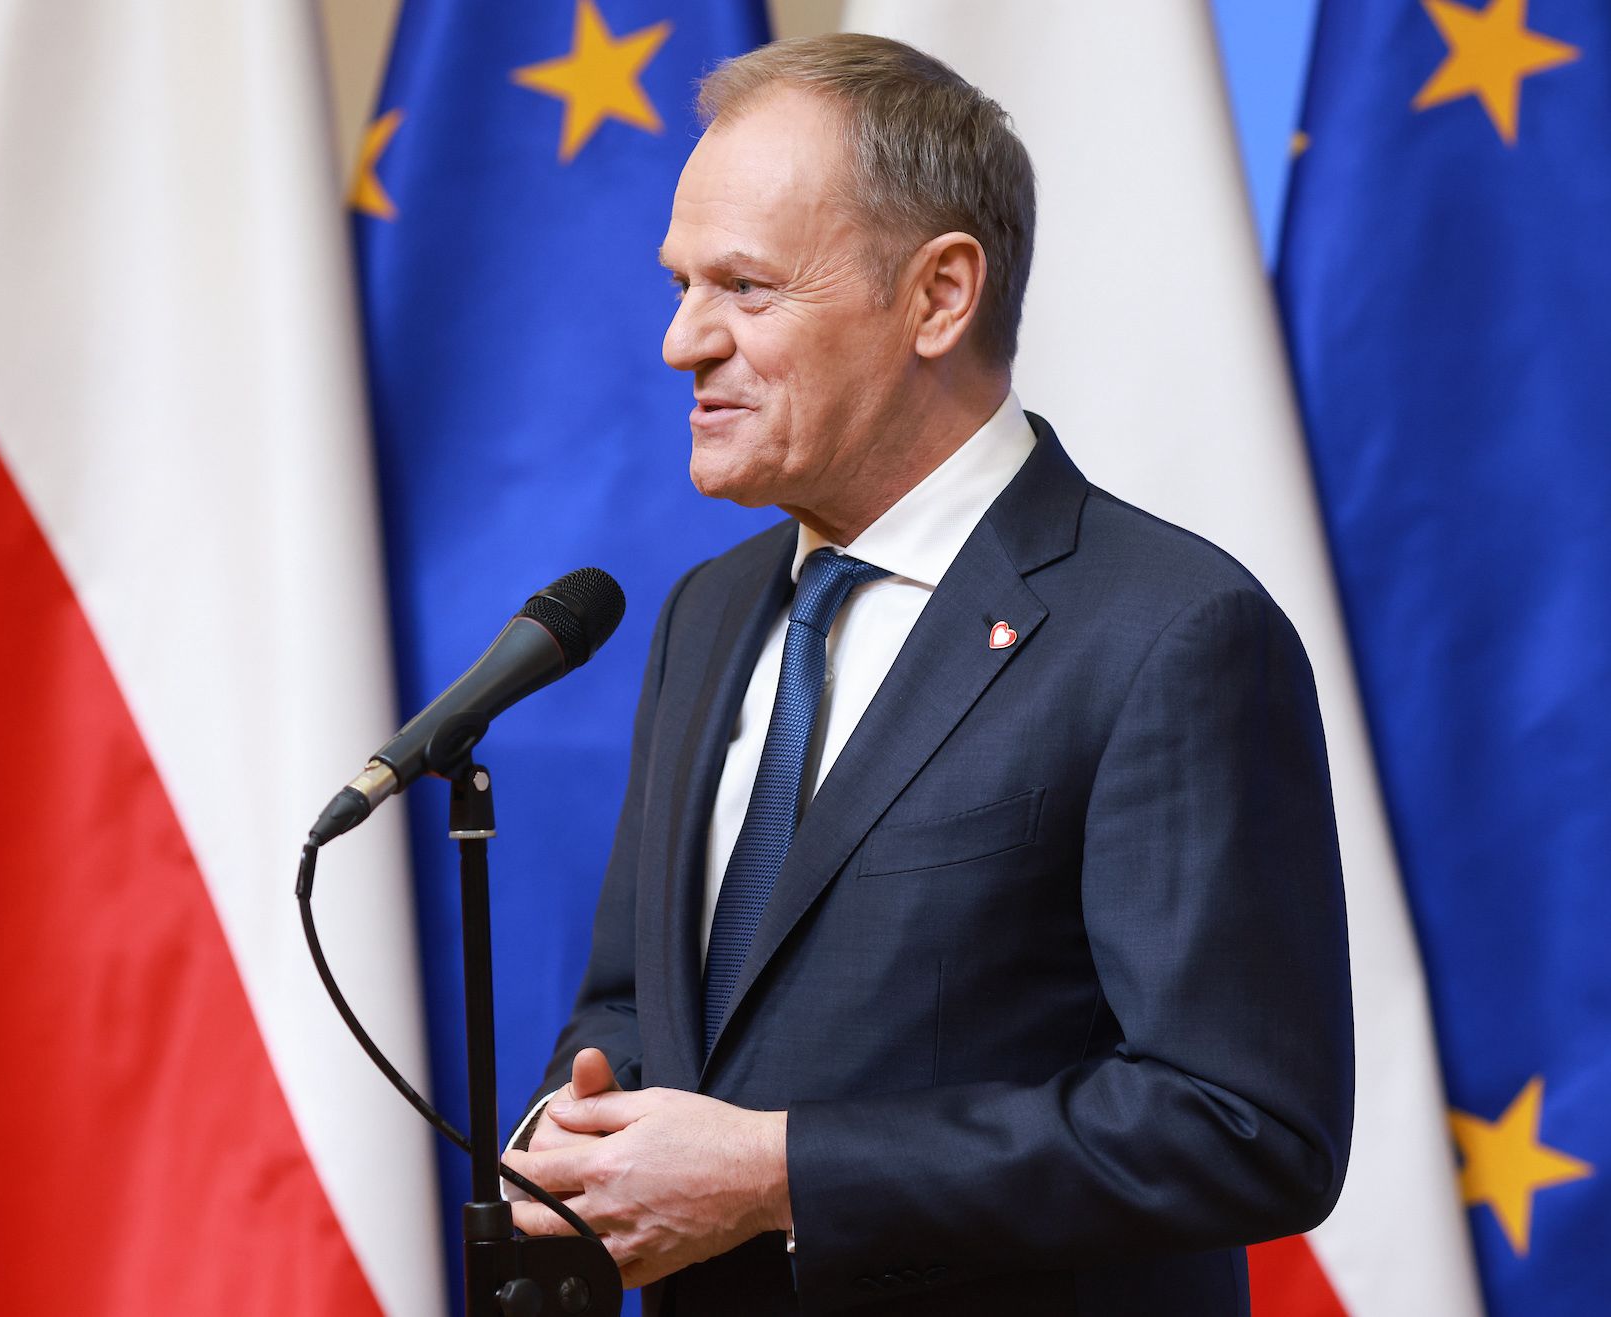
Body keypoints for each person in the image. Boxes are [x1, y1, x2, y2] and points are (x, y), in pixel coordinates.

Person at [502, 34, 1352, 1316]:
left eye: (745, 287)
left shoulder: (1170, 631)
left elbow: (1239, 1125)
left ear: (939, 296)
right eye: (681, 284)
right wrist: (577, 1135)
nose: (681, 341)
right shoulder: (707, 613)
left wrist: (780, 1174)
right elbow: (635, 1006)